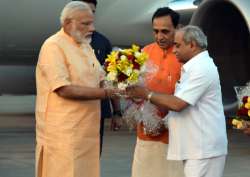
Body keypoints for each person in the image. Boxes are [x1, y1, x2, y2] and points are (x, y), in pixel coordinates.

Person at [126, 25, 228, 177]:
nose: (174, 50)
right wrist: (164, 123)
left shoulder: (202, 68)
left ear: (192, 45)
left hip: (203, 149)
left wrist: (146, 94)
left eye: (178, 45)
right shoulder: (193, 67)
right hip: (196, 148)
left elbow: (178, 104)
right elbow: (187, 104)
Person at [35, 2, 121, 177]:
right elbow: (64, 89)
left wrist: (121, 83)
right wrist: (106, 93)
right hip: (64, 135)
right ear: (67, 23)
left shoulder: (84, 45)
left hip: (87, 133)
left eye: (92, 22)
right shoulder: (53, 46)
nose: (92, 28)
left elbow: (101, 78)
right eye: (86, 24)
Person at [130, 7, 184, 177]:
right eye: (156, 31)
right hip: (146, 136)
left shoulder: (185, 55)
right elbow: (135, 91)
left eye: (165, 31)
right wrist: (144, 117)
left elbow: (189, 98)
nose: (160, 36)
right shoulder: (145, 53)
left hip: (177, 138)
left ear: (178, 28)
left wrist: (165, 123)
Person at [74, 0, 122, 156]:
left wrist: (117, 112)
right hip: (72, 113)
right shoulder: (61, 43)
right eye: (84, 10)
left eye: (92, 11)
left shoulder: (103, 42)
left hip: (96, 112)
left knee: (93, 156)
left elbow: (111, 78)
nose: (89, 14)